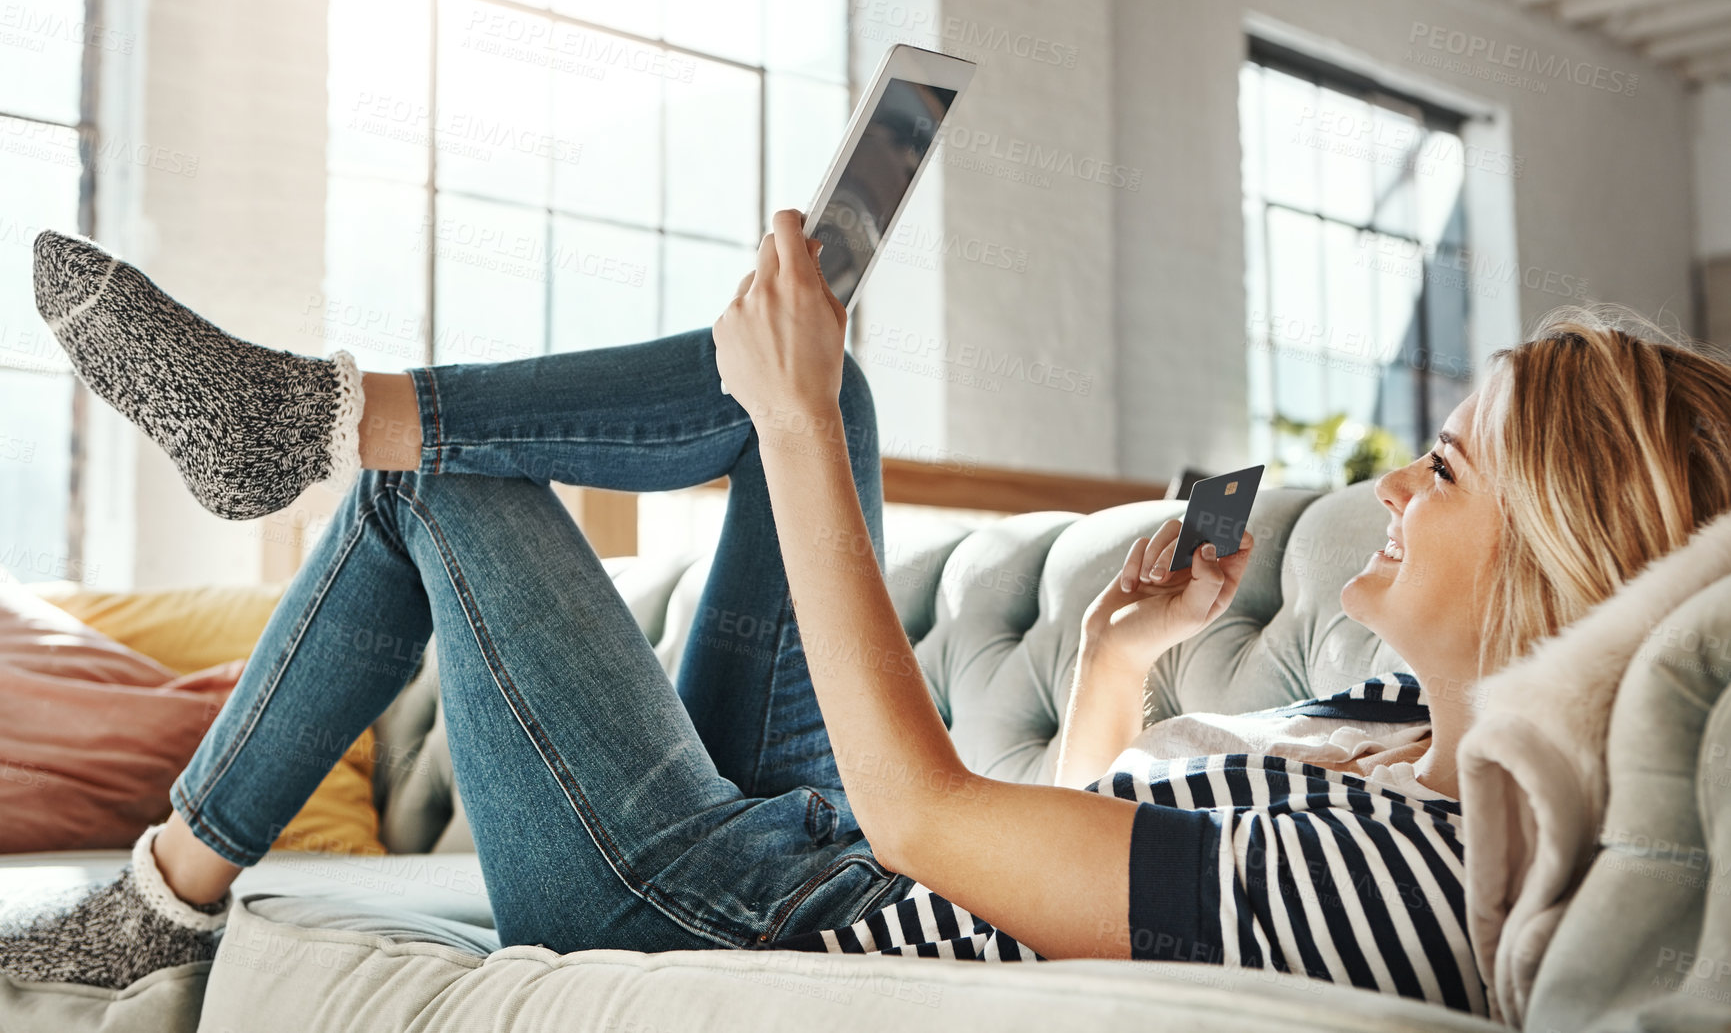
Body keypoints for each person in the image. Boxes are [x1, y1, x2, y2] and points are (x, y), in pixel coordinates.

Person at [4, 217, 1730, 1016]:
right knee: (835, 393)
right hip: (833, 850)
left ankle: (171, 861)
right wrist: (1123, 661)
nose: (1398, 491)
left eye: (1442, 466)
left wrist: (775, 422)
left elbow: (941, 822)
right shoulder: (1378, 728)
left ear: (1563, 559)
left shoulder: (1413, 871)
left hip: (739, 915)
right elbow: (1077, 872)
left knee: (445, 482)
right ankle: (306, 422)